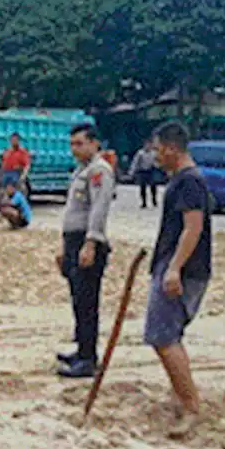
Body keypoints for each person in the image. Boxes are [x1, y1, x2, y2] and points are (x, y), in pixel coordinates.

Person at [146, 122, 211, 437]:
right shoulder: (182, 181)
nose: (156, 156)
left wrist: (173, 268)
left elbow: (193, 228)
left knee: (163, 337)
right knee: (168, 335)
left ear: (172, 148)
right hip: (175, 266)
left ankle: (190, 406)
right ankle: (181, 393)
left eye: (158, 149)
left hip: (183, 270)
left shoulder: (189, 183)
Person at [55, 123, 115, 378]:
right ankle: (81, 350)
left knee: (87, 300)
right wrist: (63, 247)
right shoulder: (82, 170)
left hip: (86, 242)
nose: (74, 149)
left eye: (79, 143)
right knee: (77, 299)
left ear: (94, 143)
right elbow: (72, 212)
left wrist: (91, 243)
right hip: (73, 241)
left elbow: (99, 210)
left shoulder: (100, 171)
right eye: (72, 144)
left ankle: (88, 359)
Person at [129, 141, 159, 208]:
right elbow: (135, 162)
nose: (148, 147)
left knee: (153, 187)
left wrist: (158, 166)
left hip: (150, 171)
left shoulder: (153, 153)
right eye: (146, 145)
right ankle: (144, 202)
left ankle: (154, 200)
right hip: (142, 171)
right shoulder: (140, 153)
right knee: (143, 188)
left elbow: (157, 161)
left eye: (149, 145)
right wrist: (132, 171)